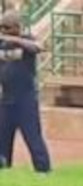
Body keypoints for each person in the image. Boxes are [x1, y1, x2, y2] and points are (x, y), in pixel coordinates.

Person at [0, 10, 51, 173]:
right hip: (6, 99)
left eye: (8, 27)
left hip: (26, 100)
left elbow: (39, 47)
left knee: (33, 137)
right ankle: (4, 168)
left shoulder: (27, 40)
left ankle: (43, 170)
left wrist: (14, 39)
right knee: (2, 138)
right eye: (2, 27)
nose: (4, 31)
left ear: (17, 27)